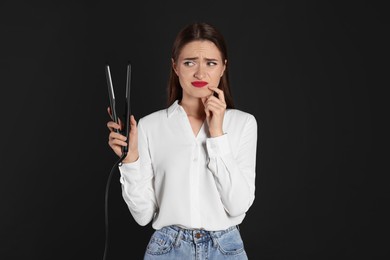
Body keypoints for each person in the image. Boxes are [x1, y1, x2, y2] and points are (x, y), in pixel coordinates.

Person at [107, 22, 258, 260]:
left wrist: (217, 133)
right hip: (167, 249)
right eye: (189, 63)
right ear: (175, 66)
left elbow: (238, 205)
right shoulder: (150, 126)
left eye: (211, 63)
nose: (200, 73)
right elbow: (143, 216)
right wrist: (131, 159)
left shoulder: (243, 123)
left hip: (225, 249)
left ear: (223, 68)